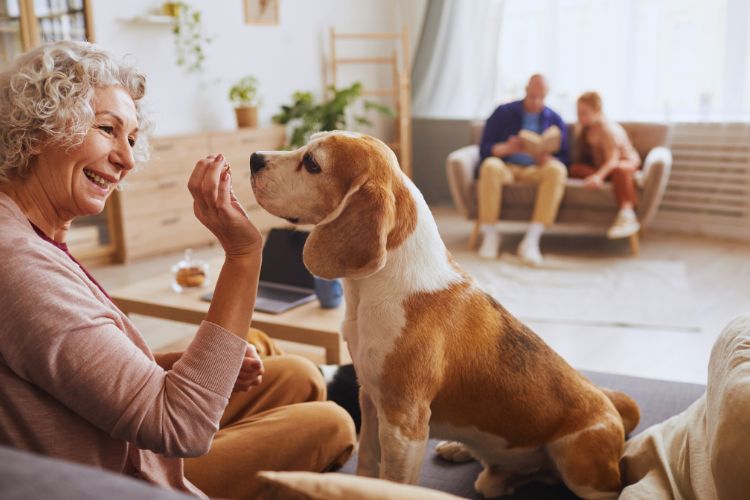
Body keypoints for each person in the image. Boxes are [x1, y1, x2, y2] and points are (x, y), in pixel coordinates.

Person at [0, 41, 355, 500]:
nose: (127, 160)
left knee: (295, 371)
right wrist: (243, 255)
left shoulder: (27, 232)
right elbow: (179, 428)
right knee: (330, 423)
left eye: (130, 139)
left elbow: (63, 372)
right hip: (124, 479)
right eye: (107, 129)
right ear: (38, 127)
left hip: (120, 442)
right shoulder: (21, 267)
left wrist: (165, 364)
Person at [476, 74, 569, 265]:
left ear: (547, 94)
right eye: (533, 95)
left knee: (557, 170)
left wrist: (547, 157)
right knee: (490, 166)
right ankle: (491, 233)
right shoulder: (503, 111)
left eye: (541, 97)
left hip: (535, 170)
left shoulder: (555, 119)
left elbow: (566, 158)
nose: (536, 101)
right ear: (526, 90)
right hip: (507, 167)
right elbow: (484, 149)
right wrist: (507, 148)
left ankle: (532, 239)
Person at [571, 91, 642, 239]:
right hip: (604, 167)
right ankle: (612, 180)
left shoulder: (607, 130)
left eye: (584, 113)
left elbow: (613, 160)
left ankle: (627, 214)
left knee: (618, 170)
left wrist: (598, 177)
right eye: (578, 112)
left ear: (597, 111)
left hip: (622, 164)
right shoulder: (586, 129)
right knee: (575, 169)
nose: (580, 116)